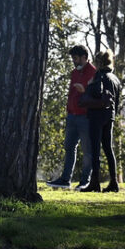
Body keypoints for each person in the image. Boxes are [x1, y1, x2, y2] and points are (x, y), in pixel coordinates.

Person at [45, 45, 98, 190]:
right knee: (69, 148)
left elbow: (96, 94)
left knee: (87, 151)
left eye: (75, 58)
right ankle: (65, 179)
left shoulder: (94, 73)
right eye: (73, 58)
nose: (74, 61)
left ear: (84, 57)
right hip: (72, 116)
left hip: (86, 117)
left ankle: (85, 182)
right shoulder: (74, 72)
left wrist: (85, 90)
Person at [79, 51, 122, 193]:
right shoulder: (115, 78)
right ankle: (114, 182)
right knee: (108, 149)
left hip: (96, 116)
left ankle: (95, 182)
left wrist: (88, 87)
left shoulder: (99, 76)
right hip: (109, 116)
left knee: (95, 149)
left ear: (98, 62)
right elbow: (116, 101)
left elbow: (95, 93)